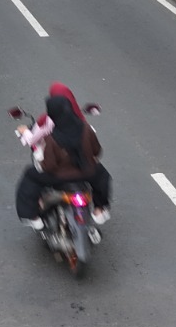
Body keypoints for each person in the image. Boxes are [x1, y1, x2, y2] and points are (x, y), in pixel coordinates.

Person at [14, 82, 112, 228]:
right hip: (87, 173)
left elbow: (49, 165)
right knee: (103, 176)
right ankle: (99, 209)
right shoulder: (86, 128)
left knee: (30, 176)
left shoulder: (52, 138)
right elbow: (97, 151)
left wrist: (41, 164)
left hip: (58, 177)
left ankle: (32, 216)